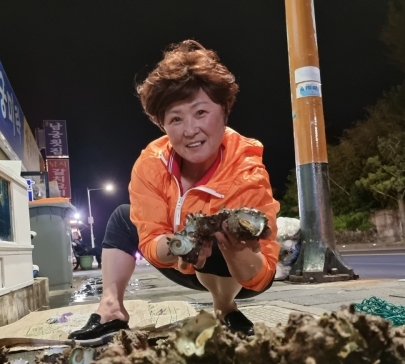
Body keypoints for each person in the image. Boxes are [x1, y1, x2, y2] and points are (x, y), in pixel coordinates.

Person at [68, 40, 279, 344]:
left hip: (235, 271)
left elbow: (260, 277)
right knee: (121, 217)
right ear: (162, 124)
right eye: (176, 118)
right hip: (180, 257)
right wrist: (183, 243)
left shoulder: (247, 171)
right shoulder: (151, 162)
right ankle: (111, 309)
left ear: (224, 111)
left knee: (226, 233)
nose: (190, 129)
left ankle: (225, 309)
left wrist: (237, 251)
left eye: (201, 112)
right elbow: (151, 240)